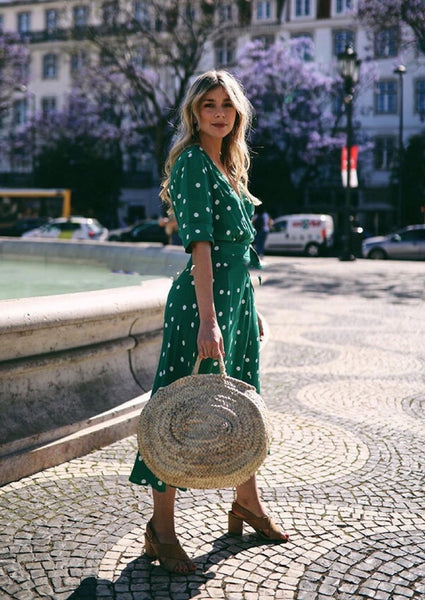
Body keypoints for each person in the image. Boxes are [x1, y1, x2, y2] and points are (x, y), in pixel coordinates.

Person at [129, 70, 288, 574]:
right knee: (174, 410)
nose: (219, 112)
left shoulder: (228, 161)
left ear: (237, 111)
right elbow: (201, 245)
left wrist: (248, 308)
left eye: (226, 104)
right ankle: (162, 528)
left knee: (244, 402)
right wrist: (208, 320)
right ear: (194, 113)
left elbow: (239, 251)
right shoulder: (194, 162)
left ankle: (247, 502)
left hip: (234, 301)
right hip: (202, 305)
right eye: (208, 105)